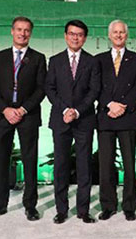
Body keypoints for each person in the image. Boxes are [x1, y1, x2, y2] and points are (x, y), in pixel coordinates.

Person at [0, 17, 47, 221]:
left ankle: (30, 205)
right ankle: (0, 204)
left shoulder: (38, 58)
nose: (23, 33)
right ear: (12, 31)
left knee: (30, 160)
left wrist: (22, 109)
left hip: (27, 115)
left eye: (27, 30)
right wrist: (5, 109)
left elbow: (41, 89)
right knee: (1, 160)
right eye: (19, 29)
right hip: (3, 115)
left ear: (31, 33)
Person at [45, 20, 100, 224]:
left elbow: (94, 90)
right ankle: (61, 210)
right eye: (71, 33)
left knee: (84, 165)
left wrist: (76, 111)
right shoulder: (55, 60)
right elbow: (50, 88)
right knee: (60, 165)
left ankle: (83, 210)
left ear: (84, 38)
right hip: (60, 119)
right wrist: (65, 109)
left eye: (79, 34)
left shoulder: (92, 62)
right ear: (65, 36)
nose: (75, 37)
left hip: (84, 119)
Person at [96, 20, 136, 221]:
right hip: (106, 117)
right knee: (105, 164)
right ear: (109, 35)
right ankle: (108, 205)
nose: (118, 35)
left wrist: (122, 106)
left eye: (122, 32)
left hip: (128, 116)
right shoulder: (98, 60)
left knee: (129, 163)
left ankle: (130, 206)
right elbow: (95, 86)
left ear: (127, 35)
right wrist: (110, 105)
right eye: (115, 32)